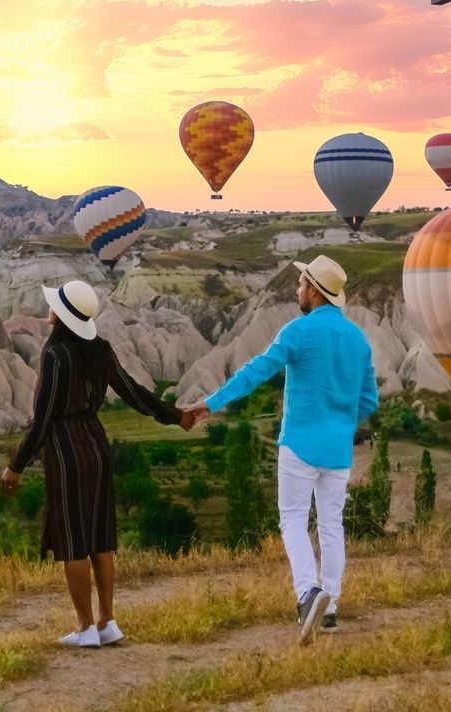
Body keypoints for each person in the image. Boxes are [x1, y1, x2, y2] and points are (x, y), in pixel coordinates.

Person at [181, 254, 378, 645]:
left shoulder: (298, 331)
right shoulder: (359, 340)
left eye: (302, 283)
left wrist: (210, 404)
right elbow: (368, 401)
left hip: (300, 446)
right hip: (337, 452)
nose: (297, 289)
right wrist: (340, 422)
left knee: (292, 519)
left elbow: (256, 370)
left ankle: (308, 596)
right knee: (331, 525)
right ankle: (331, 605)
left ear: (315, 291)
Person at [1, 280, 188, 648]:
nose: (49, 310)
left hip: (67, 451)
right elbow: (133, 392)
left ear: (63, 317)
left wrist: (16, 464)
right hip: (98, 447)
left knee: (73, 540)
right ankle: (107, 621)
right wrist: (175, 415)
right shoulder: (101, 349)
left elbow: (43, 417)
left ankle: (85, 628)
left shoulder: (55, 356)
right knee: (100, 537)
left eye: (54, 306)